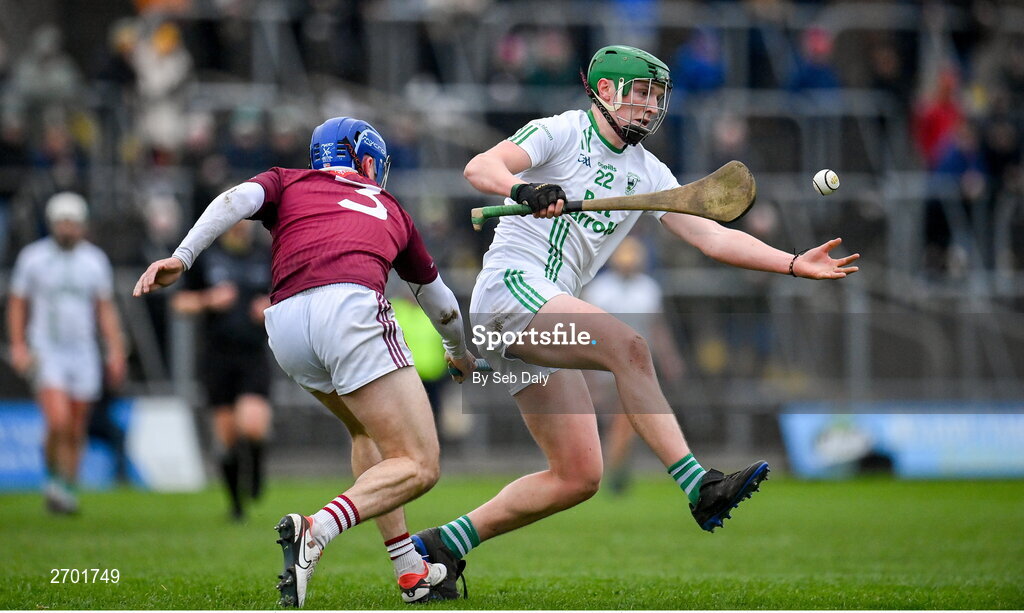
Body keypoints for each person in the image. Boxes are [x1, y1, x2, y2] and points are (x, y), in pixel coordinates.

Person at [413, 45, 860, 599]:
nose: (651, 107)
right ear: (605, 92)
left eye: (657, 97)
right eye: (641, 94)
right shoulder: (562, 131)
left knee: (578, 476)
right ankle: (700, 486)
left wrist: (792, 263)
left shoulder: (649, 172)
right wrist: (524, 189)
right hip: (510, 293)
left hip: (546, 316)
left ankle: (440, 547)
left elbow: (713, 236)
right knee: (629, 347)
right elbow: (481, 167)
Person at [133, 117, 477, 608]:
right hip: (350, 308)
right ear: (365, 159)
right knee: (420, 464)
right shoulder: (390, 207)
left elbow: (233, 200)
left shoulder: (288, 180)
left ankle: (411, 572)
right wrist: (458, 351)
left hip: (287, 323)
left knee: (366, 435)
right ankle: (315, 530)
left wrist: (182, 257)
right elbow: (440, 302)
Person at [7, 192, 127, 514]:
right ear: (52, 224)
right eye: (62, 222)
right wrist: (18, 345)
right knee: (57, 420)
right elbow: (18, 304)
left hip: (83, 352)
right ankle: (52, 481)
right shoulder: (33, 258)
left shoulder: (94, 261)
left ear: (82, 226)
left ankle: (68, 490)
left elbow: (104, 309)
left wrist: (115, 349)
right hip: (46, 350)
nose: (68, 229)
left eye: (73, 223)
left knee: (76, 426)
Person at [170, 220, 273, 521]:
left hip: (253, 354)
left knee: (252, 426)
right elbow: (179, 303)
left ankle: (254, 470)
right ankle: (236, 505)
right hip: (217, 356)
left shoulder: (265, 255)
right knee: (226, 438)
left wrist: (271, 305)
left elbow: (291, 295)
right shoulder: (207, 257)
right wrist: (207, 300)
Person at [580, 236, 685, 496]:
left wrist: (670, 359)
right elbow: (587, 333)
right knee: (618, 420)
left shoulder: (648, 289)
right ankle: (610, 468)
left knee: (625, 419)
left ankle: (612, 469)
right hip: (604, 365)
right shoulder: (599, 290)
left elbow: (657, 328)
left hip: (637, 367)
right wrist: (589, 374)